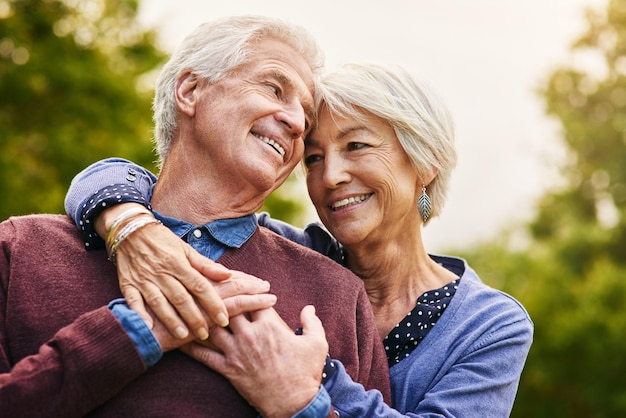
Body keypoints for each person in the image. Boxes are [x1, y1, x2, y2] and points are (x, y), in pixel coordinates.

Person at [66, 63, 534, 416]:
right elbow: (113, 178)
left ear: (425, 162)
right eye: (312, 158)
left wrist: (312, 382)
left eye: (356, 146)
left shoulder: (489, 324)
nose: (330, 176)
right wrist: (132, 228)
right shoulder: (292, 256)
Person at [1, 16, 393, 417]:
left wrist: (299, 404)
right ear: (190, 90)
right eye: (275, 89)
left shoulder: (337, 295)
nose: (296, 124)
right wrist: (130, 333)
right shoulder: (21, 249)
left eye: (305, 118)